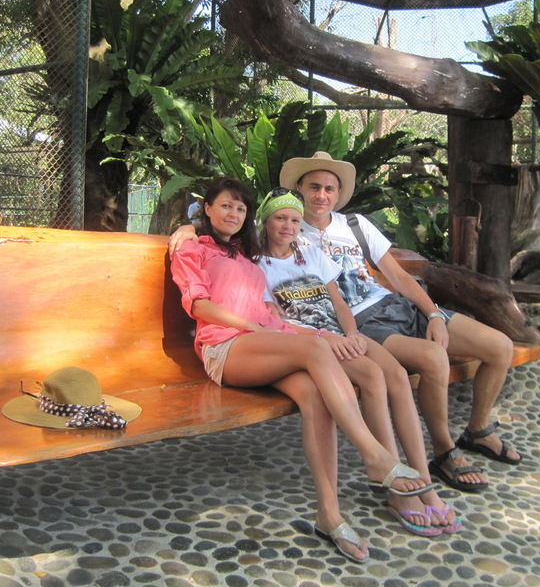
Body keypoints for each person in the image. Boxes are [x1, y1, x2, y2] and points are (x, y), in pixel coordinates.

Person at [168, 153, 520, 492]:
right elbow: (226, 276)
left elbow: (395, 277)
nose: (321, 196)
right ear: (299, 193)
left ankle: (441, 456)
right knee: (423, 359)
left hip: (372, 313)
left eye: (330, 189)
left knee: (492, 348)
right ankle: (418, 454)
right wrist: (189, 227)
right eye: (313, 188)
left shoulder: (352, 225)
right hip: (322, 330)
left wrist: (432, 314)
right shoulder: (273, 240)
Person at [169, 176, 431, 563]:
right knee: (316, 343)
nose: (233, 213)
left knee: (315, 396)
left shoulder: (244, 252)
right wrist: (185, 227)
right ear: (207, 208)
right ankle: (373, 454)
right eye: (225, 205)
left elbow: (276, 276)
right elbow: (199, 306)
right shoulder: (193, 248)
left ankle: (329, 515)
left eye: (240, 208)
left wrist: (268, 323)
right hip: (226, 345)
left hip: (265, 342)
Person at [254, 188, 461, 535]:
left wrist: (351, 334)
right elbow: (275, 320)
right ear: (266, 220)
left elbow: (339, 303)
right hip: (314, 343)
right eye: (279, 218)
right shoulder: (258, 265)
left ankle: (423, 479)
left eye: (293, 218)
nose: (288, 225)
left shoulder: (310, 252)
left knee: (395, 374)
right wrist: (328, 338)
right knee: (372, 376)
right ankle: (393, 483)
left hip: (344, 335)